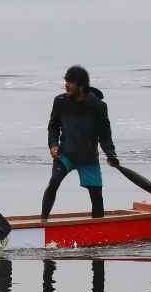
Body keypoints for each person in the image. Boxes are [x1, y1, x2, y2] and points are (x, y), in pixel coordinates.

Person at [44, 65, 118, 220]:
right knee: (53, 184)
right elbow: (53, 127)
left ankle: (98, 228)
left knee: (96, 195)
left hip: (88, 158)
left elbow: (105, 135)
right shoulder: (60, 101)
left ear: (81, 86)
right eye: (66, 81)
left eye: (70, 82)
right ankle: (42, 222)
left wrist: (111, 155)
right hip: (66, 155)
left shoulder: (98, 106)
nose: (66, 85)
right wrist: (53, 145)